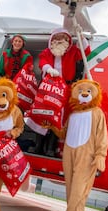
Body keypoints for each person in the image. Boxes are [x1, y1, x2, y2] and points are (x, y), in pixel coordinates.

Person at [37, 27, 91, 157]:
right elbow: (42, 62)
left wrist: (82, 37)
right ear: (53, 39)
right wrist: (48, 68)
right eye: (57, 38)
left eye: (63, 38)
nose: (60, 40)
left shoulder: (72, 51)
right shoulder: (47, 52)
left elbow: (86, 51)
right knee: (44, 115)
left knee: (59, 118)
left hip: (65, 89)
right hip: (49, 87)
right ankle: (38, 145)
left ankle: (51, 147)